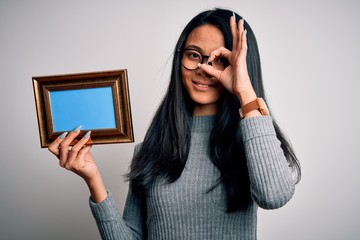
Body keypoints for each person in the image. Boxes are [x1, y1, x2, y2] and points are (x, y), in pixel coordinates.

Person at [48, 8, 301, 240]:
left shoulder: (254, 143)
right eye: (193, 55)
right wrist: (94, 180)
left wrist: (245, 91)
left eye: (220, 59)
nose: (204, 68)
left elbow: (274, 196)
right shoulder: (151, 150)